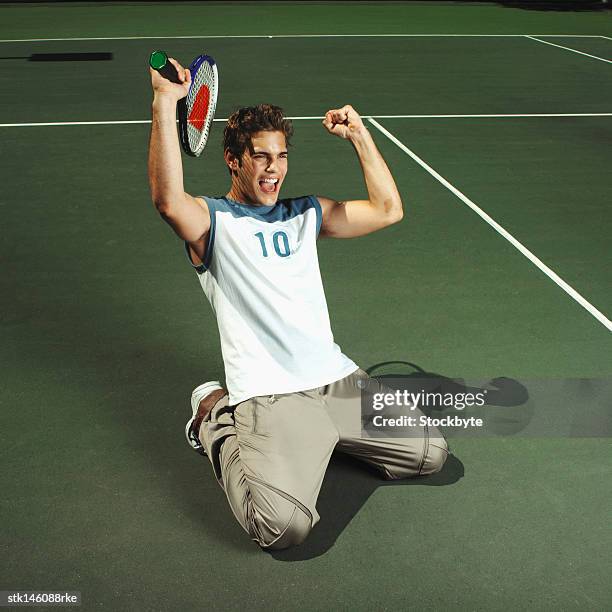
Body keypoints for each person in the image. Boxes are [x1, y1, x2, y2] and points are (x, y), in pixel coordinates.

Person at [148, 58, 449, 551]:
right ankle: (216, 417)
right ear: (233, 158)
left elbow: (389, 210)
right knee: (284, 528)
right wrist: (164, 103)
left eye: (282, 156)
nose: (274, 169)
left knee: (429, 455)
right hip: (270, 394)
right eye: (261, 156)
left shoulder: (306, 213)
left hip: (336, 379)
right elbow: (167, 201)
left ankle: (324, 438)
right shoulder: (212, 222)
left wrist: (360, 136)